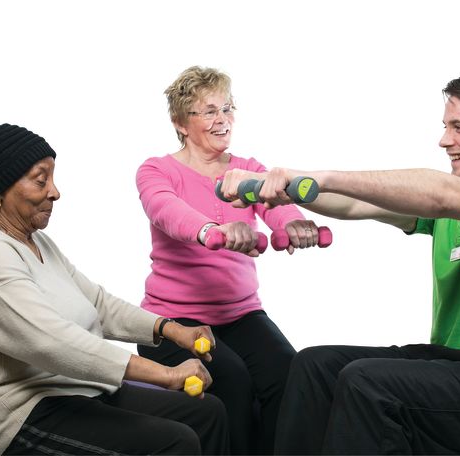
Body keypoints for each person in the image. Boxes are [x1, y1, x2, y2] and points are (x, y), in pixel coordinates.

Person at [219, 69, 460, 454]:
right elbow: (357, 203)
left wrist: (320, 176)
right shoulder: (448, 208)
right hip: (447, 364)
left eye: (458, 127)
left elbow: (443, 194)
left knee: (364, 380)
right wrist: (284, 191)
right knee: (314, 366)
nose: (444, 140)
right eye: (445, 127)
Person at [0, 124, 229, 455]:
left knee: (207, 413)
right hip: (14, 409)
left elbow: (98, 304)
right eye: (41, 179)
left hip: (73, 389)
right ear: (2, 188)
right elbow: (50, 341)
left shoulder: (38, 243)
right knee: (175, 442)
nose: (55, 192)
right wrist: (165, 374)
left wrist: (170, 329)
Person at [136, 66, 322, 454]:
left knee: (289, 373)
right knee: (233, 379)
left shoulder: (248, 171)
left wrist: (295, 223)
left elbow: (274, 202)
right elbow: (165, 209)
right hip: (174, 323)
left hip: (241, 315)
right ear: (180, 123)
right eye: (208, 111)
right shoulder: (157, 170)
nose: (223, 120)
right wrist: (210, 231)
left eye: (227, 108)